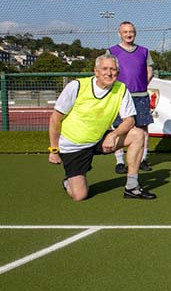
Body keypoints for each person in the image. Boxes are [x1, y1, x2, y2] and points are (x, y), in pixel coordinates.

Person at [48, 53, 155, 201]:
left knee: (138, 134)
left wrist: (113, 134)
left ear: (117, 72)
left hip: (99, 140)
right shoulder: (77, 86)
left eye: (113, 69)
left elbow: (129, 120)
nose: (109, 73)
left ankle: (132, 187)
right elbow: (55, 119)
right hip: (74, 146)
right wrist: (54, 150)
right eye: (104, 68)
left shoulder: (121, 89)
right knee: (79, 196)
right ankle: (69, 181)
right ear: (96, 71)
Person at [108, 21, 154, 174]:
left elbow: (149, 72)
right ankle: (120, 161)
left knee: (143, 128)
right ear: (119, 33)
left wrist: (140, 86)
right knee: (119, 128)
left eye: (131, 31)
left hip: (140, 96)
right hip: (119, 97)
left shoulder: (144, 51)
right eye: (125, 32)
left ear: (135, 33)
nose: (128, 34)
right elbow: (108, 73)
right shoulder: (112, 52)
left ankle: (142, 159)